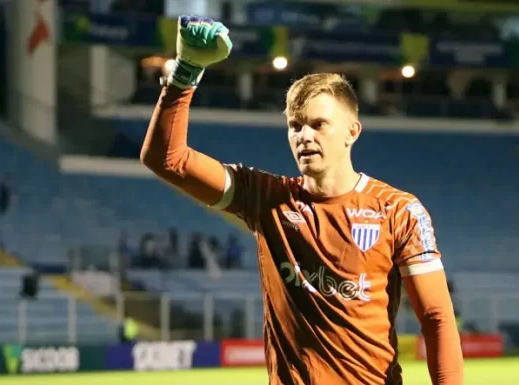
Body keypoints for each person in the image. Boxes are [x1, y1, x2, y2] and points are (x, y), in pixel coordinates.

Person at [141, 16, 463, 385]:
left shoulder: (399, 210)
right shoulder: (265, 197)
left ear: (352, 132)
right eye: (295, 126)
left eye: (318, 124)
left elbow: (437, 317)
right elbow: (167, 160)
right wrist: (186, 72)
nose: (304, 136)